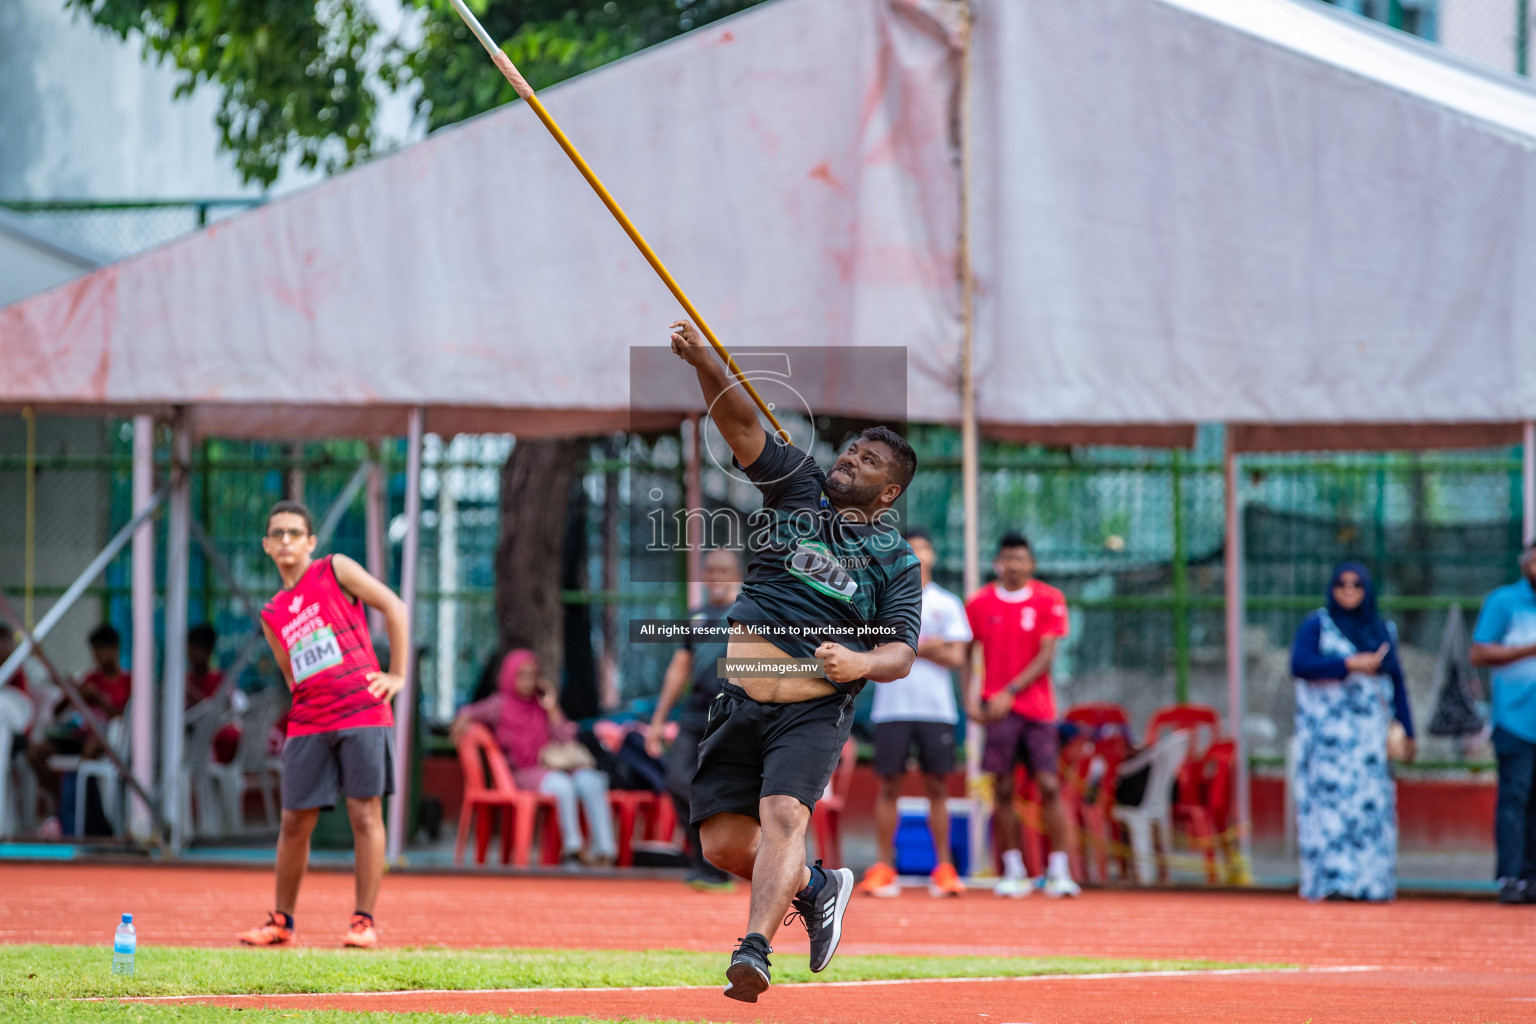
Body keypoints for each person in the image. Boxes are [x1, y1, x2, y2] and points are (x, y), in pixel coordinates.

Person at [668, 318, 922, 1003]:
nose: (850, 461)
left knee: (784, 815)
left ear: (888, 493)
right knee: (722, 844)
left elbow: (900, 651)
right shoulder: (797, 488)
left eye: (868, 462)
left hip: (813, 706)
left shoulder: (896, 561)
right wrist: (703, 366)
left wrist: (863, 665)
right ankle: (815, 886)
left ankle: (753, 950)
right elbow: (742, 423)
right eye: (851, 452)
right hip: (739, 696)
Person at [238, 500, 409, 949]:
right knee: (294, 821)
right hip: (310, 721)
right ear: (267, 545)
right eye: (278, 534)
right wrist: (313, 697)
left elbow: (395, 607)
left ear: (311, 542)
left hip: (363, 711)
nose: (287, 540)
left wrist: (398, 675)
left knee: (364, 813)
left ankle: (363, 921)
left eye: (296, 533)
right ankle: (281, 922)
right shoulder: (272, 611)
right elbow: (290, 672)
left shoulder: (335, 569)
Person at [1289, 562, 1415, 903]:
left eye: (1356, 585)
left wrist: (1409, 730)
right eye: (1341, 584)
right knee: (1331, 811)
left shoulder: (1381, 629)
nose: (1348, 590)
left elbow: (1397, 681)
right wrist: (1347, 664)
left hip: (1370, 742)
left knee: (1371, 811)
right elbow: (1299, 664)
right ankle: (1335, 883)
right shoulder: (1318, 624)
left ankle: (1370, 884)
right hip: (1329, 744)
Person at [857, 529, 971, 899]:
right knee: (888, 786)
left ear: (933, 556)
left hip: (937, 711)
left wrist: (906, 644)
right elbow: (874, 647)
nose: (918, 555)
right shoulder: (881, 600)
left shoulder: (947, 602)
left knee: (938, 787)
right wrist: (930, 644)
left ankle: (944, 868)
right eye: (910, 550)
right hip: (892, 709)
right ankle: (883, 867)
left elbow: (957, 656)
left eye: (924, 548)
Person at [964, 534, 1079, 898]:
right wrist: (969, 699)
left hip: (1038, 710)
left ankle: (1059, 870)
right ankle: (1012, 869)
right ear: (997, 562)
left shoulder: (1050, 599)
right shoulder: (979, 603)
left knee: (1048, 785)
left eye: (1020, 559)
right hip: (996, 712)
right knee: (1003, 789)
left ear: (1031, 564)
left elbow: (1047, 656)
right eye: (1007, 558)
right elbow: (967, 653)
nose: (1013, 565)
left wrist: (1009, 693)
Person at [452, 648, 617, 866]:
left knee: (590, 781)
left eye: (533, 675)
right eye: (522, 674)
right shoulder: (499, 704)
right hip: (523, 773)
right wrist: (461, 731)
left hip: (555, 768)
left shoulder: (541, 705)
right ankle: (572, 849)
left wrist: (552, 708)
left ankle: (604, 851)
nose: (528, 681)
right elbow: (467, 713)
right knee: (563, 786)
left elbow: (567, 738)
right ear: (510, 675)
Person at [646, 548, 744, 892]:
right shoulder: (696, 616)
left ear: (737, 574)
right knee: (677, 782)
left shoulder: (749, 612)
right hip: (693, 715)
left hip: (732, 716)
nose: (716, 577)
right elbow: (679, 668)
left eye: (723, 570)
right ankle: (704, 859)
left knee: (719, 790)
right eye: (711, 571)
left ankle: (719, 866)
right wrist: (658, 721)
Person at [1470, 544, 1536, 905]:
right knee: (1515, 798)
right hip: (1515, 721)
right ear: (1526, 564)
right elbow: (1478, 651)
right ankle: (1511, 876)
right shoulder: (1504, 602)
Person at [27, 623, 132, 838]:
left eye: (104, 649)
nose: (100, 656)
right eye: (96, 650)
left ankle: (85, 819)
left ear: (116, 649)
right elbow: (56, 713)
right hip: (78, 737)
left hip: (106, 742)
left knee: (90, 752)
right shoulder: (89, 678)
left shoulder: (127, 681)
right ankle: (62, 803)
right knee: (36, 753)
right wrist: (71, 693)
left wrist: (99, 700)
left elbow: (125, 720)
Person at [187, 623, 240, 765]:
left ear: (209, 651)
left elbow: (227, 711)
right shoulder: (182, 682)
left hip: (211, 742)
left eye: (198, 649)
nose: (193, 654)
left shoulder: (221, 681)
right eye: (191, 648)